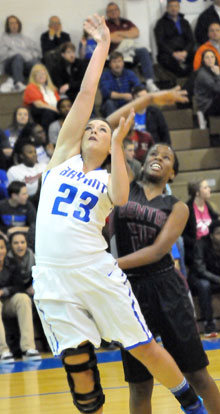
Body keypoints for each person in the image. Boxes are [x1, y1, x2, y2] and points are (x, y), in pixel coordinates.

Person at [32, 14, 207, 414]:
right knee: (78, 370)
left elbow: (121, 193)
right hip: (53, 276)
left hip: (95, 270)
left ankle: (191, 405)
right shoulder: (61, 159)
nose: (93, 128)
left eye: (100, 128)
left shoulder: (113, 175)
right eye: (89, 128)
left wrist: (118, 144)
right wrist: (103, 44)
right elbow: (87, 92)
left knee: (142, 346)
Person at [110, 143, 220, 414]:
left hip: (166, 288)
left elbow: (158, 251)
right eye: (153, 154)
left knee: (196, 374)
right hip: (130, 292)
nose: (158, 158)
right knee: (139, 384)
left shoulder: (178, 207)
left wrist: (109, 265)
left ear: (172, 173)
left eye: (166, 156)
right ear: (142, 163)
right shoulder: (124, 189)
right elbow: (110, 148)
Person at [0, 235, 41, 362]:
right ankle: (3, 351)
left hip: (8, 301)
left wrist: (4, 291)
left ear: (5, 249)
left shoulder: (11, 263)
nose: (0, 251)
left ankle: (28, 348)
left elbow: (19, 286)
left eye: (1, 247)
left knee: (23, 299)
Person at [105, 2, 159, 92]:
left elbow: (136, 33)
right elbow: (109, 38)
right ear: (107, 13)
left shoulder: (126, 22)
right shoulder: (105, 24)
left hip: (129, 52)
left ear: (119, 11)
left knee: (143, 51)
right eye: (110, 11)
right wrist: (126, 35)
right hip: (114, 54)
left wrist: (118, 33)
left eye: (115, 10)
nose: (113, 12)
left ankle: (150, 82)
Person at [190, 220, 220, 338]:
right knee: (204, 285)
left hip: (216, 277)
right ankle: (209, 323)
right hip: (198, 278)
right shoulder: (201, 244)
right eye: (218, 233)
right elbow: (200, 269)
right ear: (211, 236)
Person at [183, 178, 219, 269]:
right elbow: (183, 236)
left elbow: (216, 222)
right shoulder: (187, 209)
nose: (209, 189)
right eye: (205, 188)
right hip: (196, 249)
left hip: (211, 247)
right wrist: (196, 243)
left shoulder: (209, 206)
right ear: (197, 192)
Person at [154, 0, 195, 77]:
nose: (173, 9)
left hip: (184, 52)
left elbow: (191, 40)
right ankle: (183, 76)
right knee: (165, 60)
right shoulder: (161, 23)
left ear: (179, 8)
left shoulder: (184, 22)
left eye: (176, 6)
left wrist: (185, 52)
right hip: (169, 54)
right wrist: (173, 54)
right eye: (171, 6)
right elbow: (160, 42)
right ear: (167, 8)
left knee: (198, 56)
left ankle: (187, 76)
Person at [0, 15, 40, 92]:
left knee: (35, 62)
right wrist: (19, 53)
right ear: (7, 26)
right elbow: (2, 55)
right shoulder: (3, 39)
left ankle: (39, 84)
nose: (14, 25)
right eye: (11, 23)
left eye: (16, 23)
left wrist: (30, 55)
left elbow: (37, 52)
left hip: (25, 64)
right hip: (10, 66)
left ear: (19, 24)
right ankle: (18, 83)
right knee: (18, 57)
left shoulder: (26, 39)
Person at [100, 51, 141, 116]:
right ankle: (113, 125)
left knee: (138, 99)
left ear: (123, 63)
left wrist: (137, 94)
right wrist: (124, 96)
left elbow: (138, 86)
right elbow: (107, 93)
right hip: (112, 105)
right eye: (114, 62)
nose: (117, 64)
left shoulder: (129, 73)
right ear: (110, 64)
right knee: (109, 103)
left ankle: (137, 124)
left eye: (119, 61)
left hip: (127, 102)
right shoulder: (105, 76)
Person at [23, 63, 60, 133]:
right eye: (38, 74)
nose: (41, 76)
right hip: (40, 116)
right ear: (34, 76)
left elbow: (59, 102)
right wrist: (57, 110)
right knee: (49, 113)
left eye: (43, 74)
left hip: (54, 112)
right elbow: (39, 105)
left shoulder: (52, 88)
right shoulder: (31, 87)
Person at [194, 49, 220, 118]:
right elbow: (217, 89)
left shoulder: (214, 70)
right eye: (207, 57)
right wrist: (218, 75)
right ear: (203, 60)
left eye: (212, 57)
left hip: (214, 101)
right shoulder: (202, 74)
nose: (210, 59)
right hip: (206, 106)